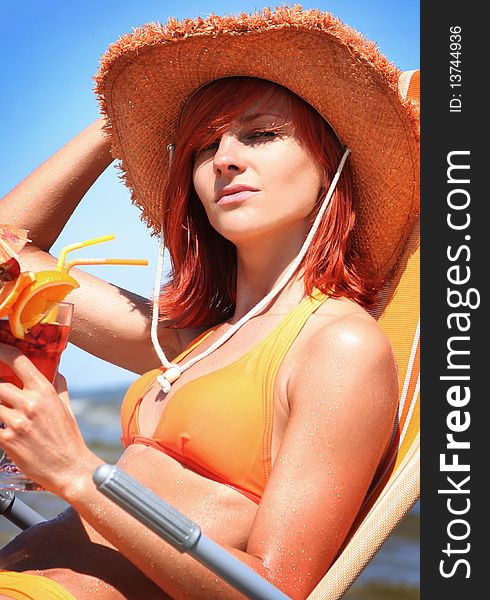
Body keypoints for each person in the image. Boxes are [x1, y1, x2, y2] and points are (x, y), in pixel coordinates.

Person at [0, 5, 419, 599]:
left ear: (332, 163)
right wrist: (124, 119)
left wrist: (76, 472)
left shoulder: (336, 345)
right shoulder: (189, 340)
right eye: (201, 145)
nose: (223, 158)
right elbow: (4, 259)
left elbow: (272, 591)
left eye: (261, 134)